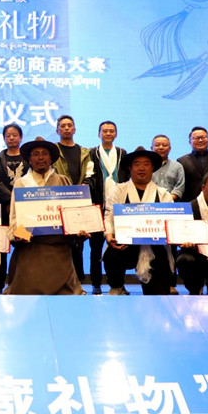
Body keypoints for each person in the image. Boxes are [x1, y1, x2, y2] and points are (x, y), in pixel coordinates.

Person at [4, 137, 84, 295]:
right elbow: (14, 217)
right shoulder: (21, 183)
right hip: (31, 245)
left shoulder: (63, 180)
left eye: (45, 153)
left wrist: (79, 230)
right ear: (29, 159)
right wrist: (21, 235)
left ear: (51, 158)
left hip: (58, 246)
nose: (40, 158)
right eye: (35, 154)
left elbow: (72, 215)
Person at [103, 147, 174, 295]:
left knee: (158, 296)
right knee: (112, 254)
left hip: (155, 246)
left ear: (152, 168)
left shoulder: (163, 194)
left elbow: (172, 221)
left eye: (146, 164)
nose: (142, 168)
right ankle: (117, 286)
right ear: (130, 168)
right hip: (126, 245)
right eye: (137, 164)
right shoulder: (119, 190)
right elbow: (109, 214)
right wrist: (109, 235)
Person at [85, 120, 128, 294]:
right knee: (95, 248)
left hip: (118, 207)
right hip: (98, 205)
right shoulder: (92, 153)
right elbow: (89, 176)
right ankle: (96, 283)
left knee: (119, 248)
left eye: (111, 131)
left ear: (116, 134)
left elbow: (126, 176)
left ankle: (118, 284)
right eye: (104, 131)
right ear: (99, 134)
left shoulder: (122, 153)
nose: (108, 133)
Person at [53, 115, 94, 284]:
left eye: (69, 125)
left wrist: (83, 187)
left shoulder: (85, 152)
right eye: (63, 126)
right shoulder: (53, 151)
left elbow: (91, 174)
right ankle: (60, 281)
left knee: (79, 242)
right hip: (58, 203)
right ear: (57, 130)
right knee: (61, 244)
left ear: (74, 129)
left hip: (80, 201)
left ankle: (78, 282)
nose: (66, 128)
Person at [0, 123, 29, 294]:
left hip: (24, 211)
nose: (11, 138)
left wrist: (16, 203)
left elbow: (30, 181)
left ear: (21, 137)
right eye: (8, 135)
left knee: (23, 244)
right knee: (2, 246)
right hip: (3, 209)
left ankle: (21, 281)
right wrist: (10, 201)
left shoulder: (28, 157)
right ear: (4, 138)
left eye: (15, 135)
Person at [150, 134, 186, 294]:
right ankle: (151, 281)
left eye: (164, 145)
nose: (161, 148)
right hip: (150, 212)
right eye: (157, 145)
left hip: (171, 212)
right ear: (151, 147)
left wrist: (166, 200)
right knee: (152, 248)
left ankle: (171, 284)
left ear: (170, 148)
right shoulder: (147, 165)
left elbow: (180, 187)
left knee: (170, 248)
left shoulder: (177, 166)